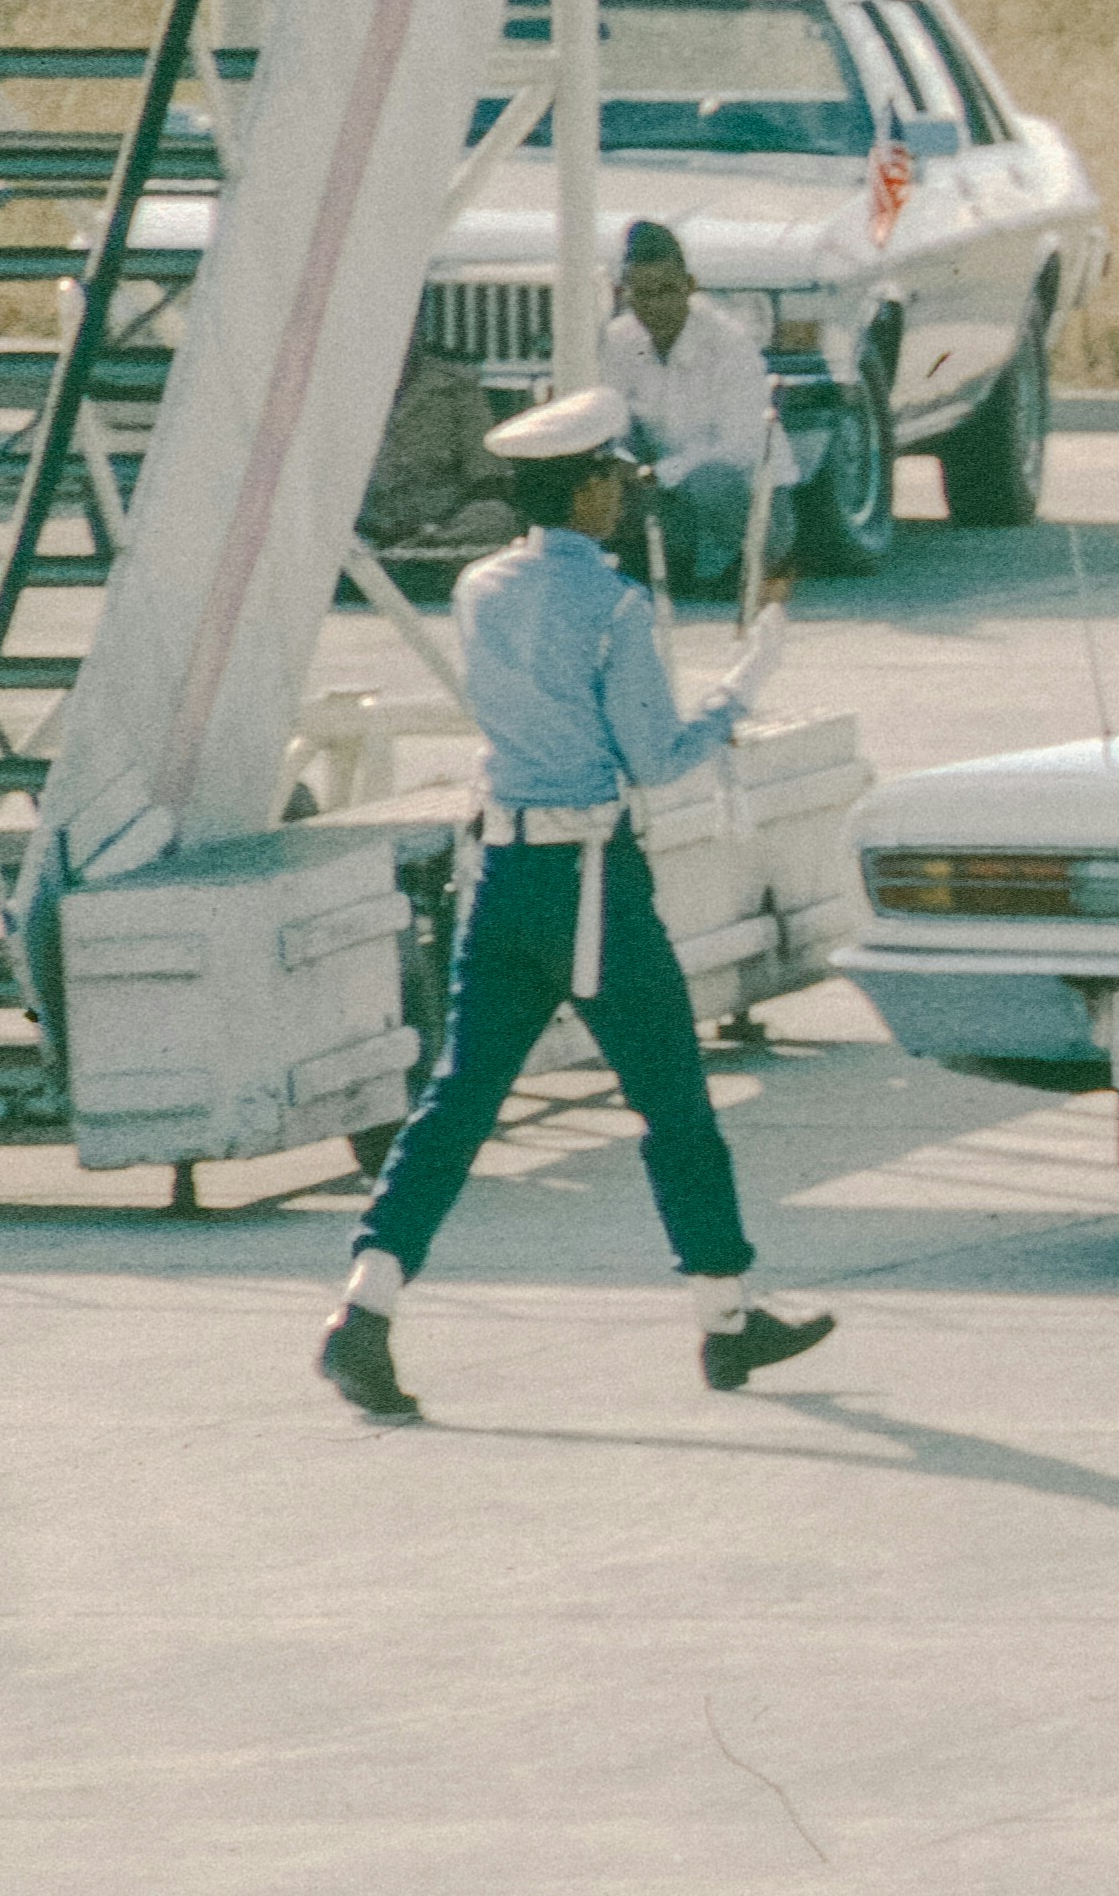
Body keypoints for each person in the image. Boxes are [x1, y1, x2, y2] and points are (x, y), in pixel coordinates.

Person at [314, 388, 837, 1424]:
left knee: (459, 1097)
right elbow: (656, 757)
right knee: (676, 1103)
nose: (621, 494)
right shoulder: (613, 605)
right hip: (592, 878)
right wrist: (745, 684)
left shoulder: (479, 588)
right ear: (590, 485)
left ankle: (364, 1305)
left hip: (501, 869)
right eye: (615, 478)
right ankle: (726, 1313)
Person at [596, 219, 782, 602]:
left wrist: (652, 474)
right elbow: (610, 418)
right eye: (643, 294)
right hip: (667, 494)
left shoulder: (731, 345)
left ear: (690, 286)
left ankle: (731, 569)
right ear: (625, 295)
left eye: (667, 290)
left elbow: (741, 450)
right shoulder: (618, 340)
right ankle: (665, 565)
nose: (656, 305)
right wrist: (618, 462)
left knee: (712, 479)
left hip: (745, 502)